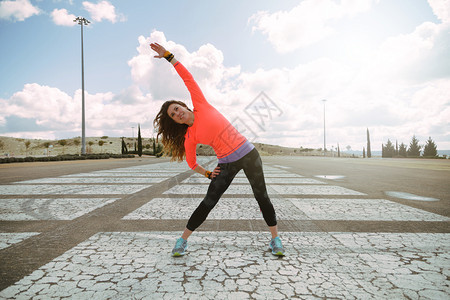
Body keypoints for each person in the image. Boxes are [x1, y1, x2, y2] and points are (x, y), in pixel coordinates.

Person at [150, 42, 284, 256]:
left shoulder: (201, 104)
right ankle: (182, 241)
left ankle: (275, 240)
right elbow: (192, 163)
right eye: (173, 115)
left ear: (184, 105)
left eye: (177, 109)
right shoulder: (189, 137)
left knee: (262, 197)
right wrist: (208, 173)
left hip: (249, 155)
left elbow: (187, 78)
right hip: (227, 164)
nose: (177, 114)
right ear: (175, 121)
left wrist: (168, 56)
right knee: (208, 202)